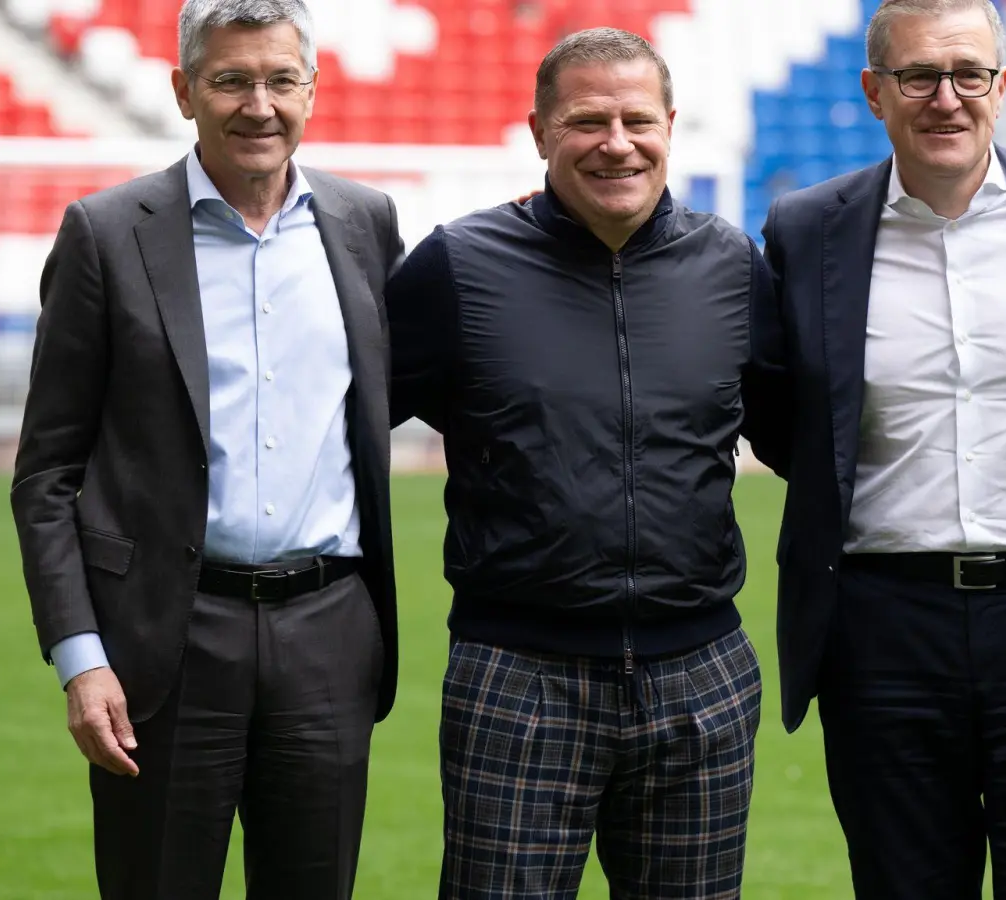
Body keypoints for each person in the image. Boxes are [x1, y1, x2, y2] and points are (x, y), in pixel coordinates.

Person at [8, 0, 405, 896]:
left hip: (329, 636)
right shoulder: (106, 235)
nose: (257, 104)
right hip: (162, 640)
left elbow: (413, 380)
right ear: (184, 91)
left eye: (278, 79)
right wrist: (81, 657)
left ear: (314, 88)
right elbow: (45, 477)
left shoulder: (365, 223)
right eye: (230, 81)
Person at [747, 0, 1006, 896]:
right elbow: (780, 414)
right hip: (882, 628)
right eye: (918, 76)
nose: (946, 98)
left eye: (969, 74)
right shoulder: (808, 228)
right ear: (874, 93)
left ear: (1002, 86)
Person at [384, 26, 789, 900]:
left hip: (703, 676)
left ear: (670, 126)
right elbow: (341, 423)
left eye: (637, 119)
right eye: (586, 120)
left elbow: (802, 439)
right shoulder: (457, 267)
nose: (617, 142)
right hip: (519, 677)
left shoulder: (731, 267)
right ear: (538, 132)